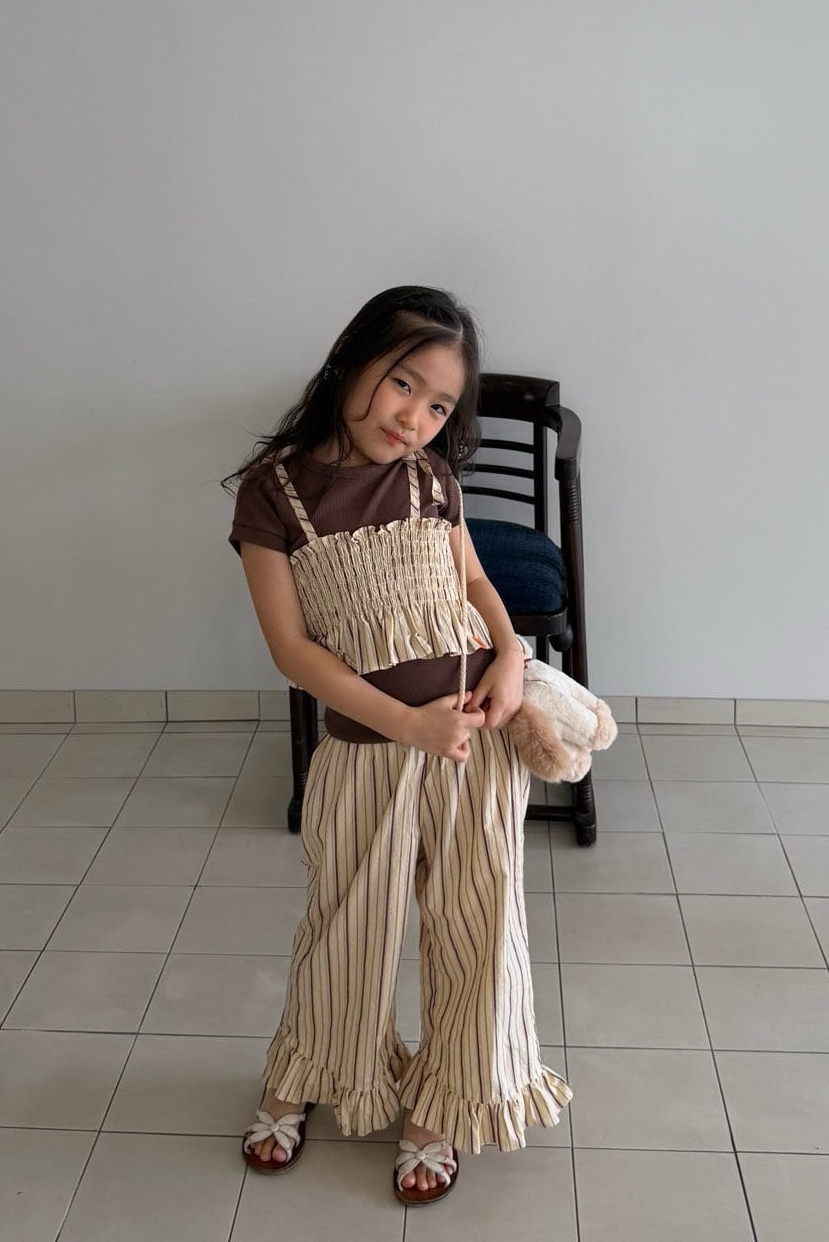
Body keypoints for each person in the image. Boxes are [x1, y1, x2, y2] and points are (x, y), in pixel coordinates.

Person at [224, 285, 572, 1205]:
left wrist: (510, 655)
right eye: (402, 384)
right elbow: (292, 650)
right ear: (352, 363)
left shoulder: (432, 481)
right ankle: (306, 1072)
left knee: (476, 924)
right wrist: (407, 724)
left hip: (475, 747)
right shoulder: (276, 496)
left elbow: (477, 585)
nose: (414, 418)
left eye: (440, 406)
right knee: (346, 924)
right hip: (367, 751)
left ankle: (443, 1103)